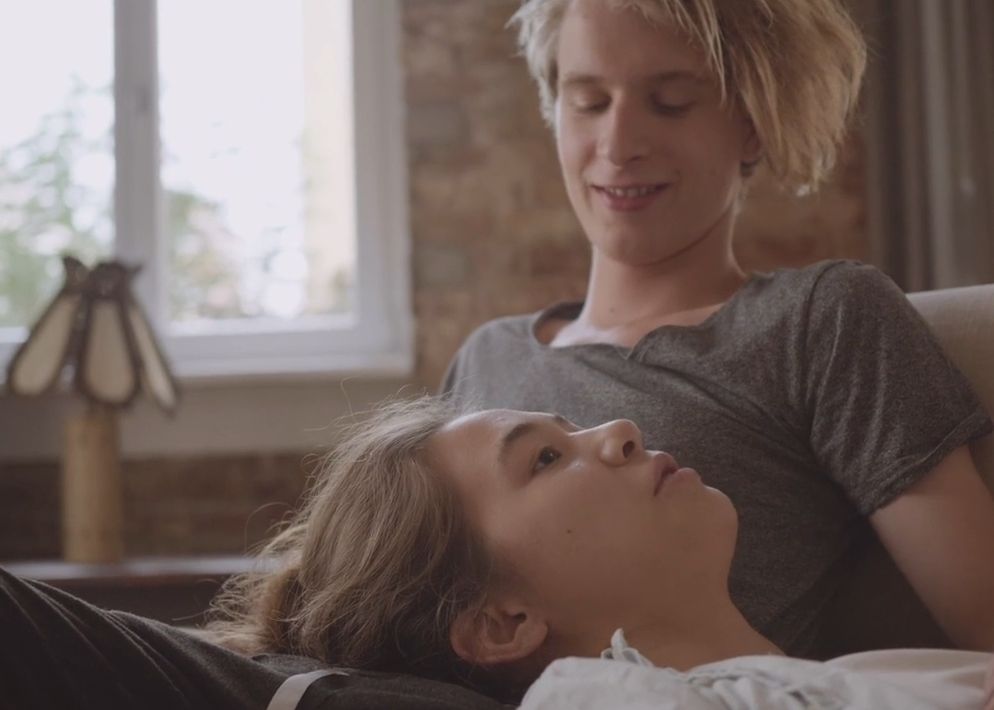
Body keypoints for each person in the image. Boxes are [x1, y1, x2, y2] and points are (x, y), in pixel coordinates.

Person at [440, 0, 994, 657]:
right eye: (589, 102)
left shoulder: (822, 320)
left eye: (671, 103)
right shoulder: (483, 359)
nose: (618, 145)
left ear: (753, 125)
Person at [2, 398, 991, 709]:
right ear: (501, 621)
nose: (618, 430)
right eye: (545, 458)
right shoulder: (598, 703)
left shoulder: (898, 671)